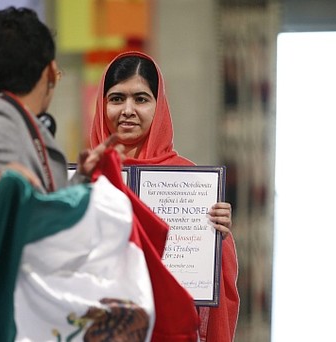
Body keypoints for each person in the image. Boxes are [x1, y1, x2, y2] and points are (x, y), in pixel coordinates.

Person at [0, 7, 119, 256]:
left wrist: (81, 178)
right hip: (4, 293)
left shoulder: (18, 121)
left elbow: (36, 211)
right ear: (51, 71)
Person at [90, 51, 239, 342]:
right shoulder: (83, 179)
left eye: (141, 99)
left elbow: (209, 285)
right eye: (117, 98)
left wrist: (216, 236)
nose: (128, 110)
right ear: (101, 104)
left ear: (159, 107)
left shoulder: (191, 182)